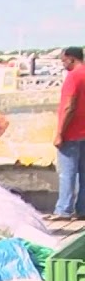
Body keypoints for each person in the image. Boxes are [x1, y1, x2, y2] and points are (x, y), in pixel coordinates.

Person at [51, 46, 85, 220]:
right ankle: (82, 209)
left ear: (71, 58)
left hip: (72, 132)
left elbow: (69, 106)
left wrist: (59, 133)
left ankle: (64, 210)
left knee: (67, 173)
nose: (62, 64)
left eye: (63, 60)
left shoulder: (73, 76)